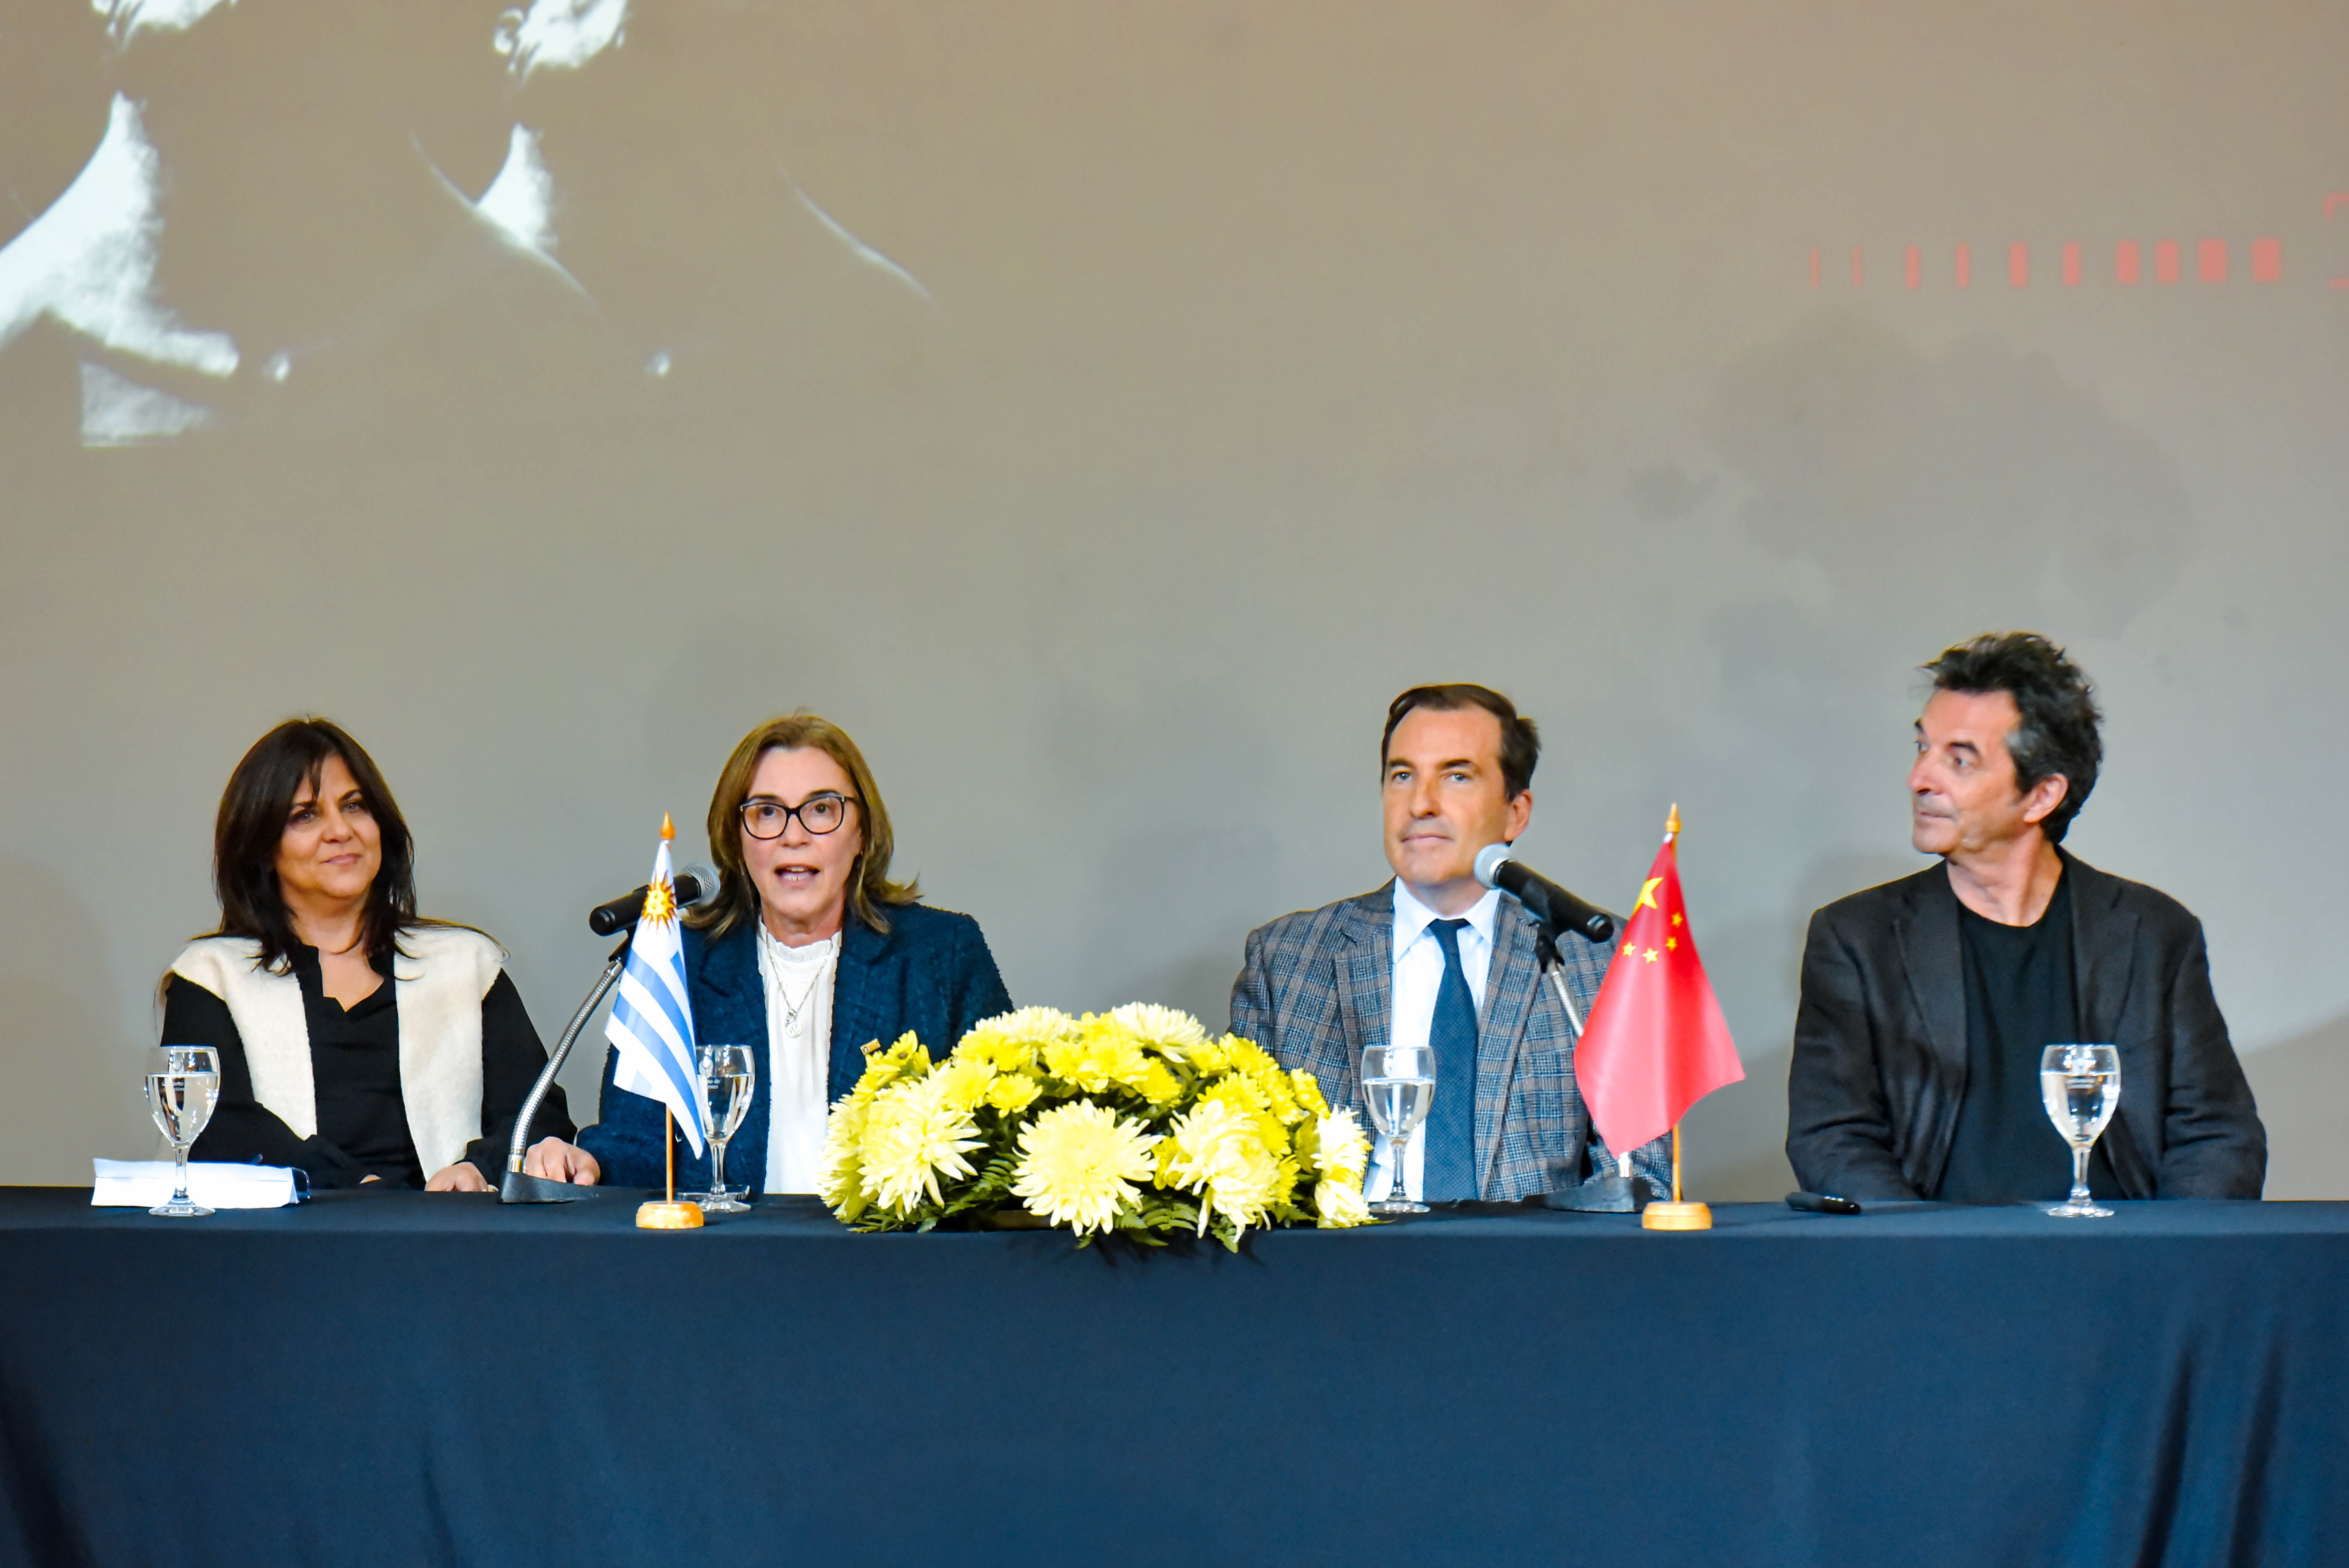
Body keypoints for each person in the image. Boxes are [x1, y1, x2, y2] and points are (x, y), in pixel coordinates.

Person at [1785, 633, 2265, 1201]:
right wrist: (1922, 1245)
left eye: (1958, 760)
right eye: (1921, 748)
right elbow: (1831, 1137)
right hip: (1933, 1249)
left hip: (2118, 1247)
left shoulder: (2153, 932)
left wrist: (2160, 1248)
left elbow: (2216, 1134)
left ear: (2040, 796)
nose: (1919, 779)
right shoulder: (1855, 938)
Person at [1230, 684, 1668, 1203]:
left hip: (1529, 1252)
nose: (1420, 804)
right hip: (1345, 1251)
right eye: (1402, 776)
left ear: (1515, 812)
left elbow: (1638, 1182)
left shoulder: (1598, 960)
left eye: (1456, 776)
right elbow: (1243, 1176)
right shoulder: (1287, 962)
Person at [578, 714, 1014, 1195]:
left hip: (889, 1244)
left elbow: (1005, 1141)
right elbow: (633, 1149)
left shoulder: (941, 955)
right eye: (767, 812)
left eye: (821, 810)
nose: (794, 836)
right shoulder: (677, 964)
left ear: (862, 834)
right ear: (736, 840)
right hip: (723, 1243)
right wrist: (587, 1164)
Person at [164, 719, 596, 1190]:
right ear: (261, 847)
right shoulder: (210, 975)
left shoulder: (466, 964)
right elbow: (216, 1131)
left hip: (450, 1227)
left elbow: (538, 1116)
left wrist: (478, 1170)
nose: (340, 830)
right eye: (305, 815)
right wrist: (363, 1190)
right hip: (291, 1229)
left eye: (354, 806)